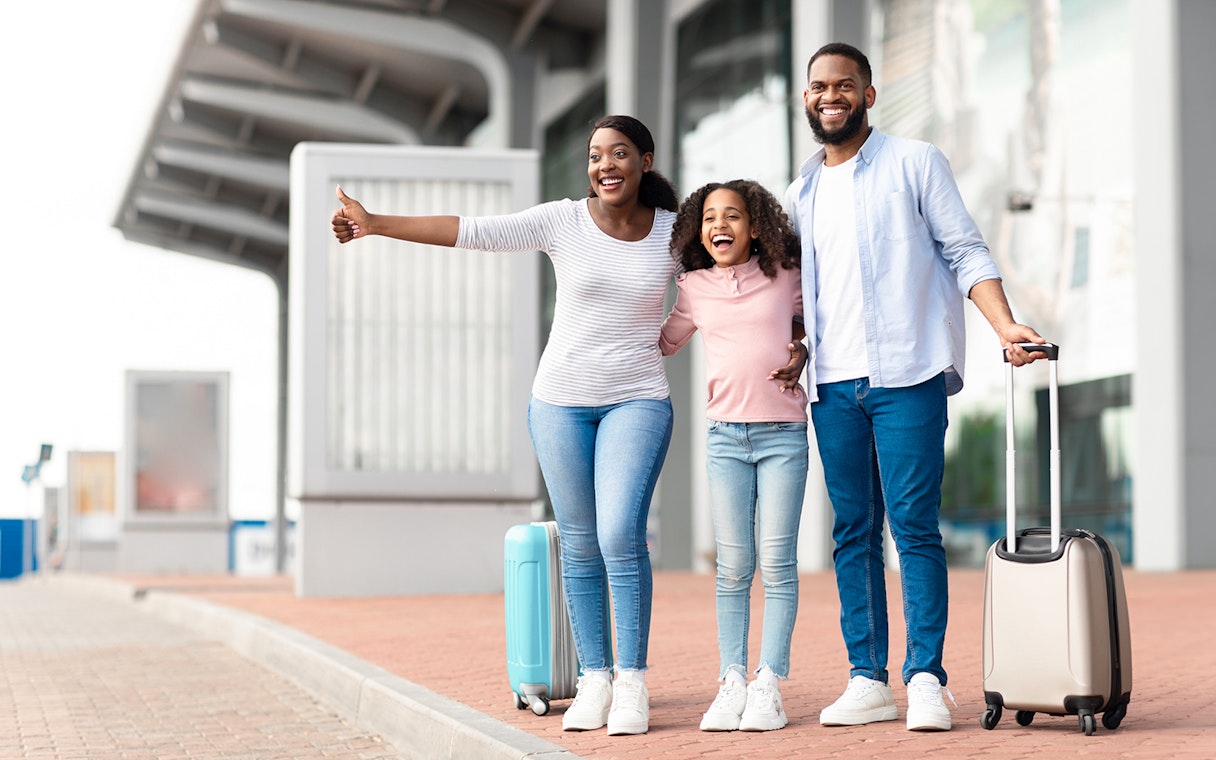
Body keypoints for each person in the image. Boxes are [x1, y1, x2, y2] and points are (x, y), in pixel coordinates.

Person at [331, 115, 804, 737]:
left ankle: (632, 681)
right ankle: (595, 678)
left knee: (618, 534)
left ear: (645, 161)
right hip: (557, 402)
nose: (605, 165)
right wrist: (377, 223)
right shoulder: (560, 221)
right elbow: (471, 231)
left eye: (619, 153)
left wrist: (797, 339)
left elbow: (744, 273)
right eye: (594, 155)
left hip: (636, 399)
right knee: (579, 543)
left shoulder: (673, 234)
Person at [783, 43, 1045, 732]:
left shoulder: (915, 162)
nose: (829, 95)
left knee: (914, 529)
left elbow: (964, 248)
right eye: (818, 86)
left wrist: (1004, 324)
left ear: (868, 95)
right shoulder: (798, 193)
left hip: (908, 374)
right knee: (852, 533)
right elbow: (789, 299)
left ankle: (926, 676)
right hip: (832, 387)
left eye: (844, 85)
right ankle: (866, 679)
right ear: (807, 98)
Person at [659, 179, 808, 733]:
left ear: (756, 227)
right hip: (724, 439)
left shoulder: (785, 276)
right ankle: (731, 680)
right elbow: (664, 340)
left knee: (777, 563)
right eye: (710, 218)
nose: (720, 225)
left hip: (783, 437)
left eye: (734, 216)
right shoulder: (693, 286)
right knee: (732, 567)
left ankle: (768, 682)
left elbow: (811, 323)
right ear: (699, 232)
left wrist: (803, 349)